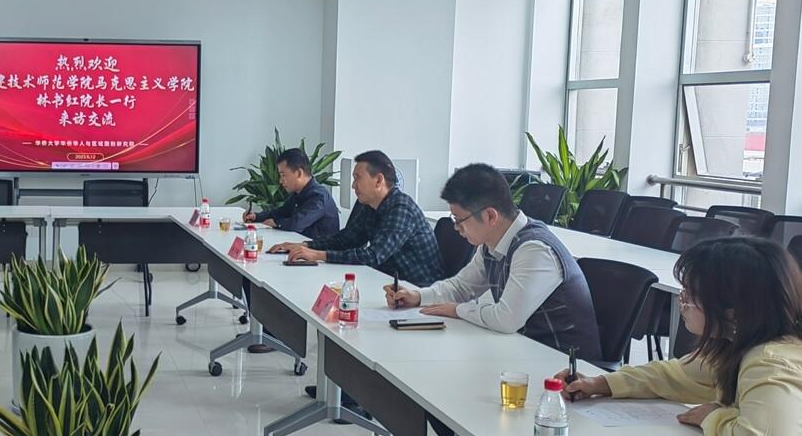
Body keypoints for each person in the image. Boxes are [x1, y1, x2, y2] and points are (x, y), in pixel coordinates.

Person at [562, 237, 802, 436]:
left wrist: (710, 417)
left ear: (733, 308)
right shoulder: (744, 345)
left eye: (691, 294)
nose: (682, 302)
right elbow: (674, 375)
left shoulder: (774, 361)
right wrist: (601, 384)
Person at [385, 162, 602, 361]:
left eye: (459, 220)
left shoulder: (535, 250)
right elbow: (461, 287)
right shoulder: (491, 244)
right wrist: (418, 296)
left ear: (490, 216)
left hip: (565, 367)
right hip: (523, 351)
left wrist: (457, 310)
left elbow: (506, 319)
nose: (456, 228)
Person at [272, 150, 442, 288]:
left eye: (357, 178)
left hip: (416, 292)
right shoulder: (371, 206)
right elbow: (346, 239)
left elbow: (373, 256)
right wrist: (306, 245)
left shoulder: (401, 209)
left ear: (378, 180)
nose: (353, 185)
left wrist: (318, 255)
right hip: (386, 283)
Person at [241, 148, 339, 238]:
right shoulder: (298, 192)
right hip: (299, 244)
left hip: (317, 250)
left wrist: (276, 223)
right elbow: (281, 212)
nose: (280, 181)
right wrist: (257, 217)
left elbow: (297, 223)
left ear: (299, 173)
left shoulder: (319, 196)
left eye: (283, 175)